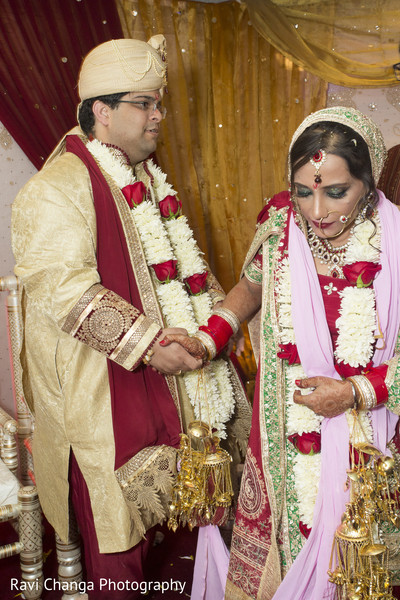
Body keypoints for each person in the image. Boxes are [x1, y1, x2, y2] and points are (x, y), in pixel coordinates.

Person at [11, 36, 250, 598]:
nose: (158, 116)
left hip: (173, 386)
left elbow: (181, 273)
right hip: (106, 394)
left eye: (159, 103)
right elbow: (61, 286)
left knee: (189, 538)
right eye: (146, 103)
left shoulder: (144, 178)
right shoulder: (57, 188)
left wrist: (212, 330)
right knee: (122, 555)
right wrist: (147, 344)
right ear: (102, 109)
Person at [163, 106, 400, 599]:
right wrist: (209, 337)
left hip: (370, 440)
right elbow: (249, 291)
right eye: (303, 191)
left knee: (359, 565)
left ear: (369, 183)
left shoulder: (395, 242)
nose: (317, 211)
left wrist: (356, 391)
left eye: (337, 192)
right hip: (280, 431)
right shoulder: (278, 226)